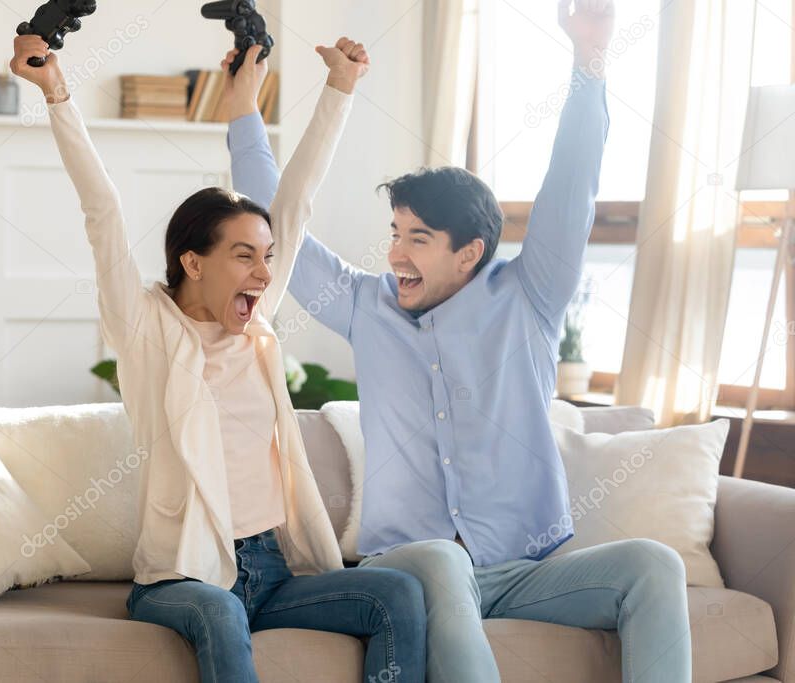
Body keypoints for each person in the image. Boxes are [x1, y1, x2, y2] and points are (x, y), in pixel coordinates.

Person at [225, 1, 692, 681]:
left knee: (655, 563)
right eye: (394, 232)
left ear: (469, 252)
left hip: (524, 569)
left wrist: (589, 61)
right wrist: (243, 109)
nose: (396, 253)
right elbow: (279, 217)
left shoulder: (529, 296)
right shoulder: (362, 305)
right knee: (441, 557)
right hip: (412, 565)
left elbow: (571, 189)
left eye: (417, 238)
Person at [10, 34, 427, 683]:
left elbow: (297, 200)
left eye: (267, 256)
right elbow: (103, 211)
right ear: (193, 262)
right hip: (184, 577)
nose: (264, 271)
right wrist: (58, 94)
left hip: (273, 568)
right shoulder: (146, 327)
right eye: (245, 255)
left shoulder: (255, 323)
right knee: (220, 614)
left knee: (396, 593)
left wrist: (340, 87)